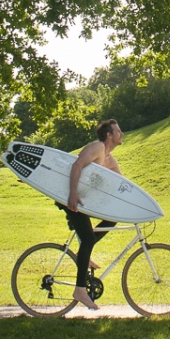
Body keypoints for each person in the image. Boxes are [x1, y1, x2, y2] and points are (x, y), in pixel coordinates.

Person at [61, 118, 124, 310]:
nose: (122, 134)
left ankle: (82, 253)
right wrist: (72, 194)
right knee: (88, 239)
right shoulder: (97, 148)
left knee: (113, 218)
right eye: (118, 131)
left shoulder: (110, 160)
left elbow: (123, 185)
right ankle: (80, 290)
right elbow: (77, 165)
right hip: (70, 199)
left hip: (83, 202)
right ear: (109, 135)